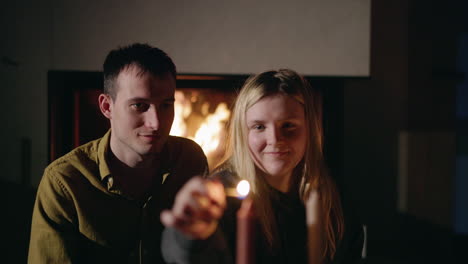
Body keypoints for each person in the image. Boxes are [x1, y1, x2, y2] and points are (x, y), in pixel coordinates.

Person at [28, 43, 208, 263]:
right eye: (139, 106)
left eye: (166, 105)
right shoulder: (64, 182)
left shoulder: (190, 160)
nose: (156, 123)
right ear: (107, 107)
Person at [160, 69, 364, 263]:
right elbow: (187, 255)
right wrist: (187, 236)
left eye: (288, 126)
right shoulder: (222, 195)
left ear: (309, 130)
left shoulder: (332, 198)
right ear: (243, 133)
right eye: (259, 127)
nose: (275, 139)